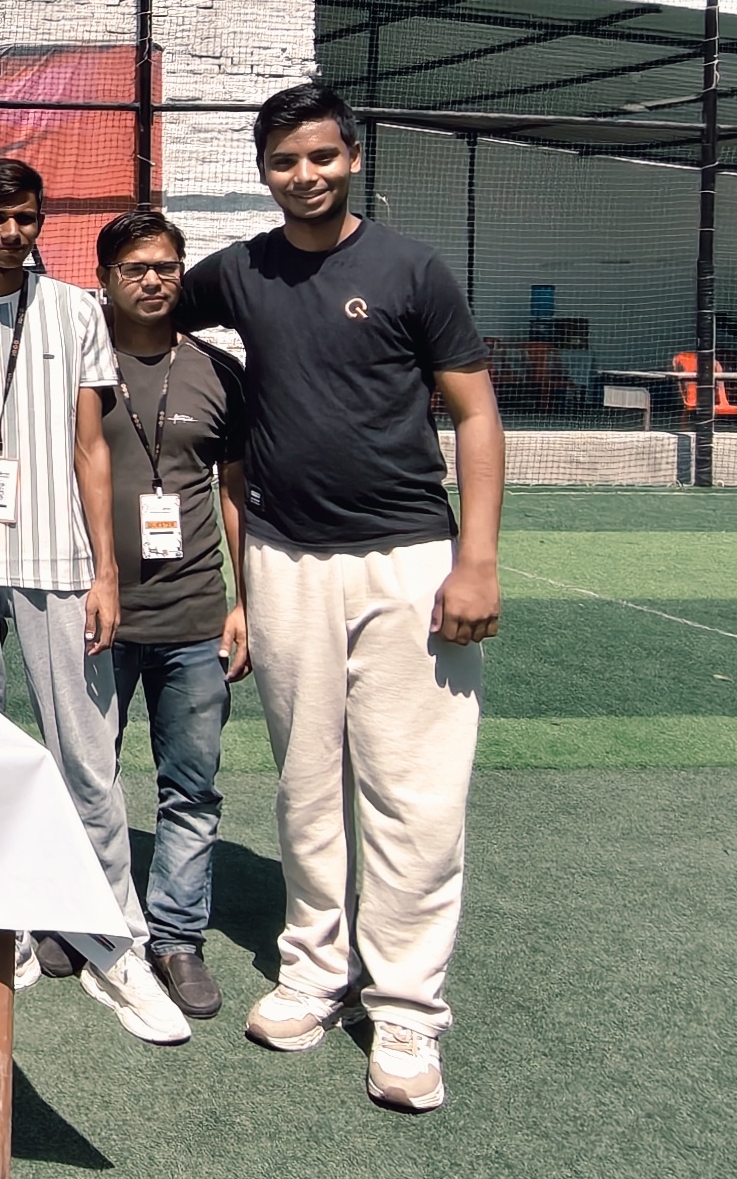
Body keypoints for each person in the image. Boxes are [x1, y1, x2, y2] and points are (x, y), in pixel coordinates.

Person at [166, 82, 503, 1113]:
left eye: (321, 156)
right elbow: (144, 308)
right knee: (306, 785)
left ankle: (406, 1009)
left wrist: (477, 560)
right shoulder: (241, 270)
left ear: (353, 158)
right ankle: (313, 971)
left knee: (414, 794)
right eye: (284, 161)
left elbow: (476, 415)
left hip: (410, 560)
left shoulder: (411, 269)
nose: (304, 175)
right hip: (282, 562)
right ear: (262, 172)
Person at [0, 157, 190, 1046]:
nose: (10, 232)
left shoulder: (76, 312)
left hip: (59, 563)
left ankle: (113, 943)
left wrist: (105, 571)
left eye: (24, 217)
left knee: (86, 756)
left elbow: (92, 448)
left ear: (39, 221)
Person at [92, 208, 249, 1023]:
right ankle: (89, 916)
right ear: (105, 280)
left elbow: (235, 492)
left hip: (194, 617)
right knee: (91, 774)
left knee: (190, 787)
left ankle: (178, 936)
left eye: (165, 266)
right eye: (134, 268)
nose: (152, 280)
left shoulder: (219, 371)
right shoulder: (78, 365)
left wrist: (246, 601)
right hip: (97, 616)